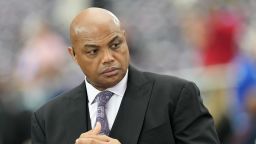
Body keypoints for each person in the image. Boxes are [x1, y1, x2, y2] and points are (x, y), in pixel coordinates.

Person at [31, 7, 220, 144]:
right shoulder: (47, 119)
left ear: (124, 38)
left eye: (115, 45)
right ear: (73, 55)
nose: (108, 58)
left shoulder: (176, 95)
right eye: (93, 51)